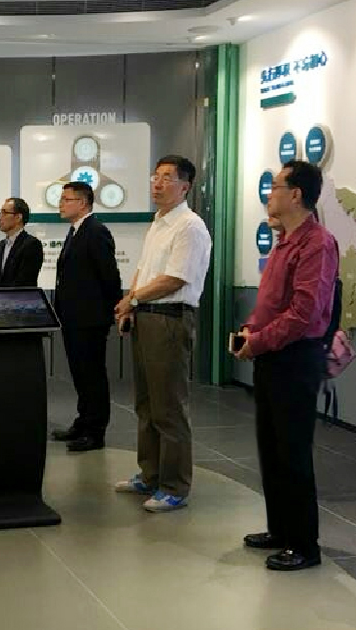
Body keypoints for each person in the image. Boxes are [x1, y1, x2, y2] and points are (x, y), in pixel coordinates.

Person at [234, 160, 338, 571]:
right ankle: (280, 529)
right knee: (272, 449)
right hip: (272, 357)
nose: (269, 194)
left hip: (295, 358)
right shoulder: (284, 241)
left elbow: (304, 314)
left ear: (296, 194)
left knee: (293, 453)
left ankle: (304, 544)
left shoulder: (317, 243)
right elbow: (271, 304)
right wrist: (251, 328)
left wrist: (258, 341)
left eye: (276, 186)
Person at [114, 155, 212, 512]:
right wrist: (130, 304)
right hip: (146, 316)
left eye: (167, 177)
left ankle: (174, 486)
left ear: (185, 186)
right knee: (146, 403)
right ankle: (150, 473)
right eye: (155, 176)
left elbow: (175, 279)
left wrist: (133, 299)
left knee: (169, 405)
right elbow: (144, 270)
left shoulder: (190, 226)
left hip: (170, 319)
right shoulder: (158, 223)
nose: (157, 183)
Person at [50, 182, 122, 451]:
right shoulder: (75, 231)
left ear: (82, 203)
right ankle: (82, 422)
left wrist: (114, 310)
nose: (61, 204)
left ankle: (95, 431)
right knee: (80, 373)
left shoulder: (96, 231)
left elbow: (109, 275)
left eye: (66, 199)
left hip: (90, 319)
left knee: (92, 375)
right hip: (73, 318)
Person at [0, 197, 43, 288]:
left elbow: (24, 281)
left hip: (20, 297)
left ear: (18, 217)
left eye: (4, 213)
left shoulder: (32, 245)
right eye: (0, 213)